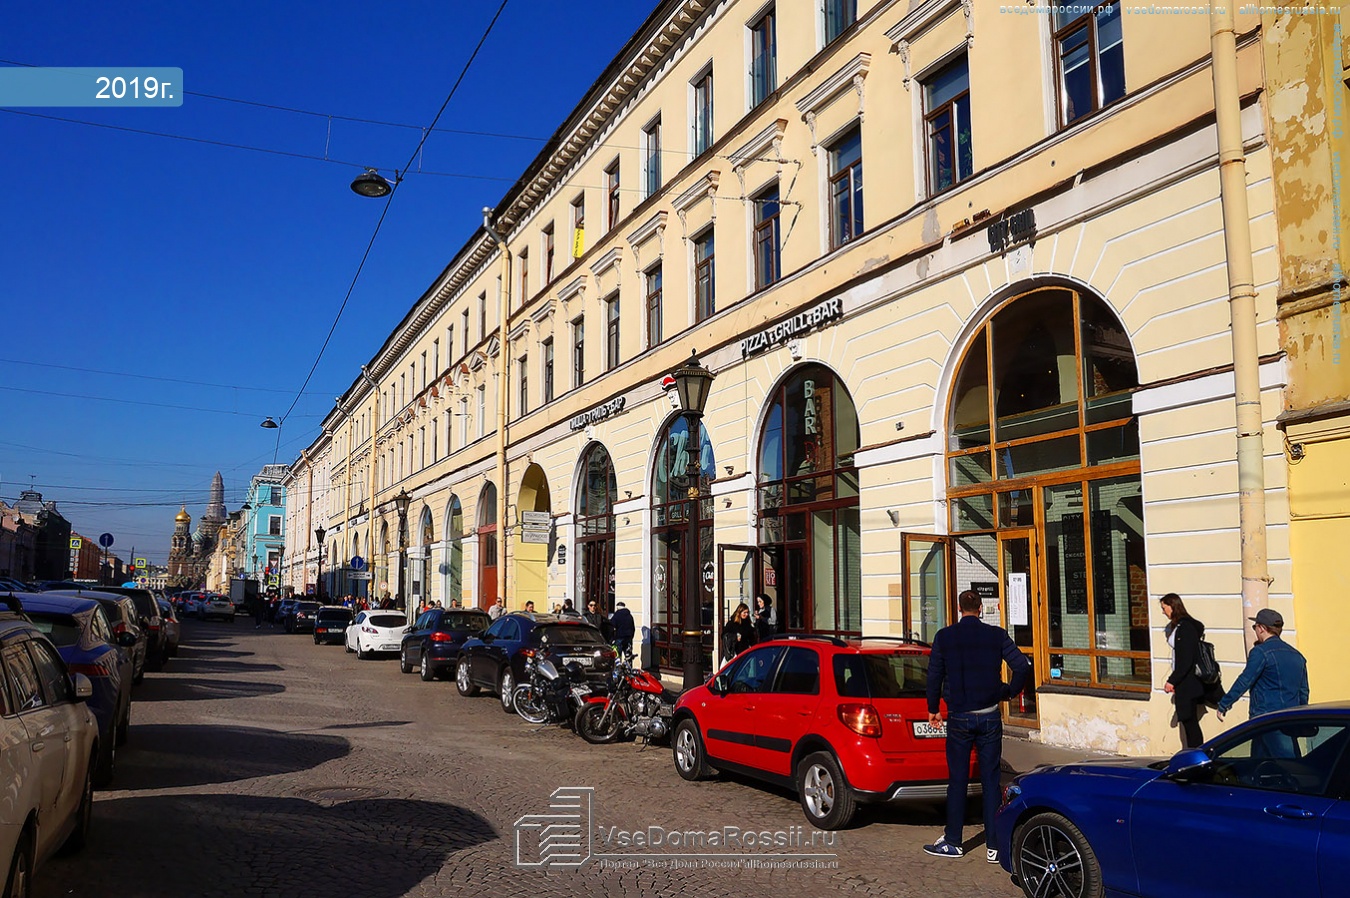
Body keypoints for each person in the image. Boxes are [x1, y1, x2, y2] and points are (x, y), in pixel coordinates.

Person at [923, 589, 1030, 862]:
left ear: (959, 610)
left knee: (957, 780)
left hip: (959, 716)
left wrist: (933, 708)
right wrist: (1009, 691)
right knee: (991, 780)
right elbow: (1022, 666)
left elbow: (934, 676)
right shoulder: (996, 635)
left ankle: (953, 841)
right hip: (990, 715)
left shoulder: (945, 637)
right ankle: (994, 846)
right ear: (981, 609)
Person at [1216, 608, 1309, 725]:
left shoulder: (1260, 652)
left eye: (1255, 627)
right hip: (1291, 719)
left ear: (1261, 628)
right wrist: (1302, 717)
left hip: (1265, 719)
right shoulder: (1298, 656)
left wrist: (1224, 704)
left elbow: (1245, 680)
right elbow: (1303, 691)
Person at [1160, 593, 1214, 750]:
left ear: (1172, 606)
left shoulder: (1185, 628)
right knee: (1189, 721)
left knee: (1190, 722)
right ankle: (1193, 752)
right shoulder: (1182, 626)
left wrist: (1172, 681)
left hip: (1188, 682)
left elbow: (1185, 659)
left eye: (1164, 608)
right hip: (1188, 682)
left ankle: (1196, 754)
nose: (1163, 612)